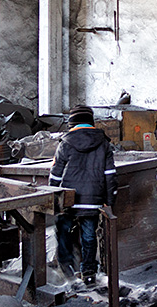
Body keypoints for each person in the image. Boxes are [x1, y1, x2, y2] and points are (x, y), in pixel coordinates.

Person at [49, 105, 116, 286]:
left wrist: (52, 198)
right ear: (90, 122)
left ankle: (67, 270)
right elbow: (110, 176)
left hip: (69, 199)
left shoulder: (65, 143)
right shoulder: (104, 143)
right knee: (89, 236)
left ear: (73, 123)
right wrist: (110, 201)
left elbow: (55, 174)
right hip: (93, 200)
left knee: (63, 231)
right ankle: (88, 273)